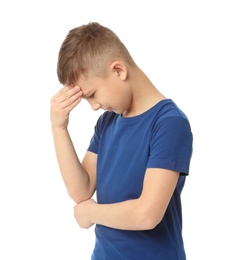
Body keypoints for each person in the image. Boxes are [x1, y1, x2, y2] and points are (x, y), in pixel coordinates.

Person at [50, 22, 193, 260]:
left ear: (118, 71)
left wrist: (92, 213)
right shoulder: (107, 122)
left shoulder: (169, 123)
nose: (94, 106)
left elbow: (147, 214)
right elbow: (81, 190)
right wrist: (59, 128)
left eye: (93, 95)